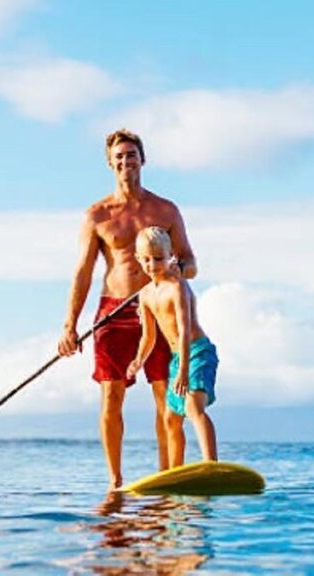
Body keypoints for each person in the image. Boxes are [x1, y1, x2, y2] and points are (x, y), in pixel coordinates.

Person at [57, 129, 197, 490]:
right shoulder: (97, 215)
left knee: (167, 396)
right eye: (118, 157)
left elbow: (191, 261)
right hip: (112, 312)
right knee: (111, 396)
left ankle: (169, 476)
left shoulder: (165, 210)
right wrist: (69, 326)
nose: (125, 162)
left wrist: (175, 270)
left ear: (142, 160)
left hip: (158, 308)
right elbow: (83, 272)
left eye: (131, 155)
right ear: (110, 164)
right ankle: (115, 481)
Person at [127, 227, 218, 469]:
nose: (152, 264)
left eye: (159, 258)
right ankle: (174, 471)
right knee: (170, 418)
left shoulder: (177, 287)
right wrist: (138, 361)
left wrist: (184, 371)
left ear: (170, 257)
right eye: (146, 259)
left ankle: (211, 465)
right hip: (178, 358)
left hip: (197, 352)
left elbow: (185, 330)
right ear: (138, 258)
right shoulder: (145, 295)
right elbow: (149, 336)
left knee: (192, 406)